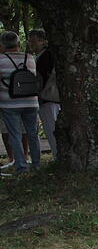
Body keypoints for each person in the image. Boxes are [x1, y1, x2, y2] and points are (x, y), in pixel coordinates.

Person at [0, 31, 41, 174]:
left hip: (9, 104)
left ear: (3, 45)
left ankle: (21, 166)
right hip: (31, 102)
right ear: (18, 43)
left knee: (15, 134)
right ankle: (36, 164)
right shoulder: (29, 58)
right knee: (32, 133)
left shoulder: (1, 60)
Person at [28, 28, 61, 161]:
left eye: (33, 41)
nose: (31, 44)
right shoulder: (43, 55)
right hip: (48, 97)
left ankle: (58, 156)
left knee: (51, 128)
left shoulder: (46, 56)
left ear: (43, 41)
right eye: (30, 41)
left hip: (49, 97)